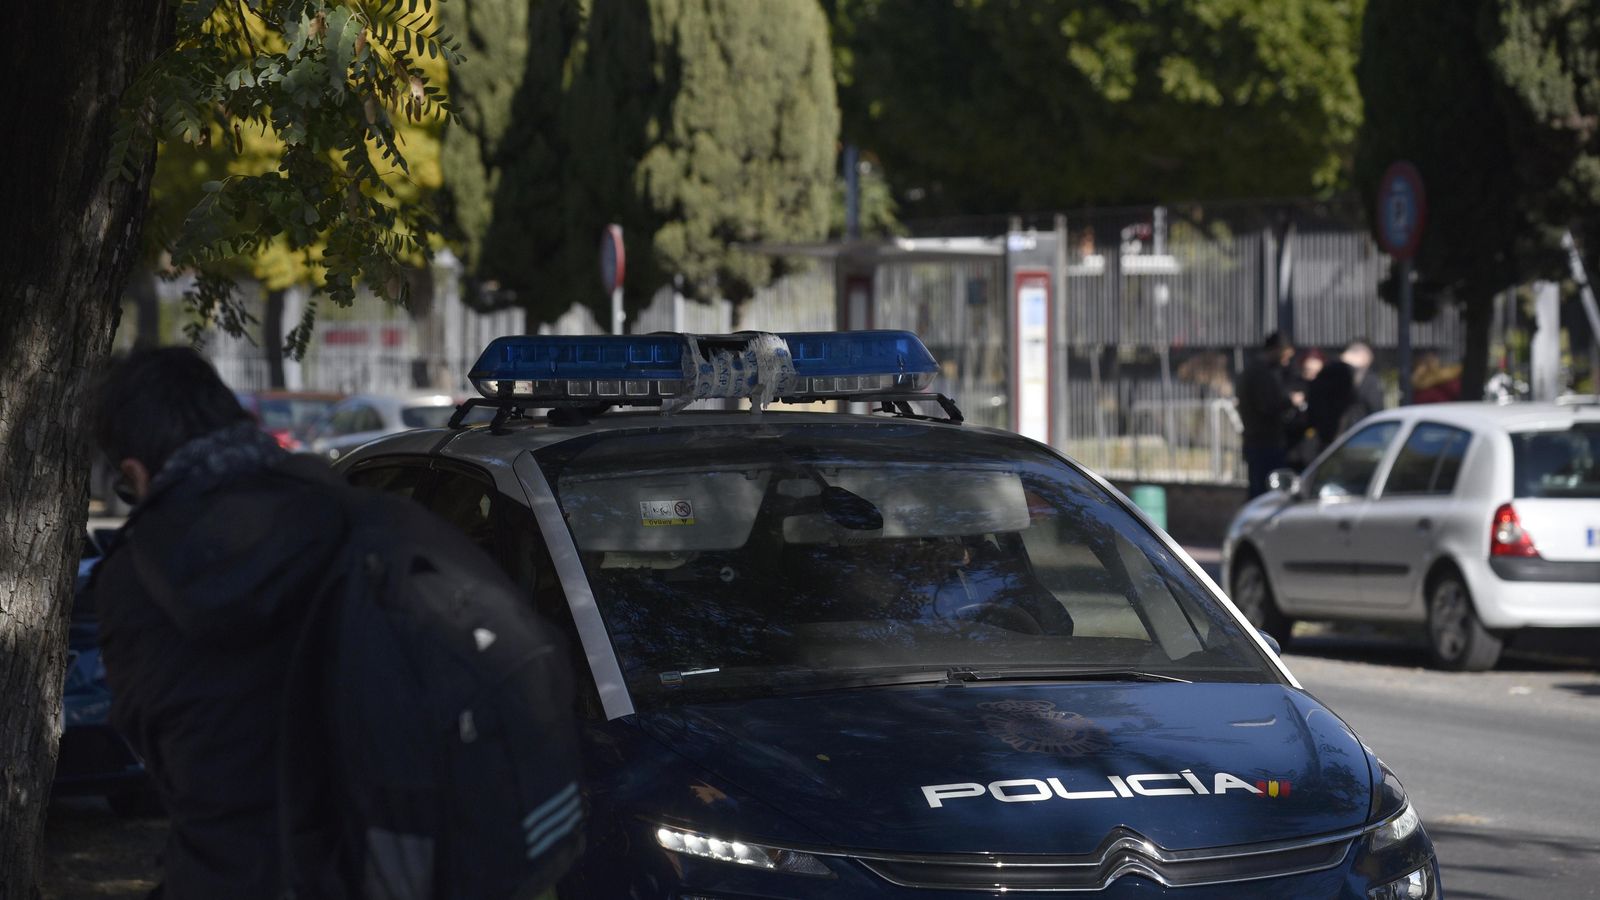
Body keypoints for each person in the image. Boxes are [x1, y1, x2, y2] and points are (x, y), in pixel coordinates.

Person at [88, 349, 576, 900]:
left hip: (240, 871)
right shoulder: (381, 520)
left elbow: (163, 756)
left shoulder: (137, 578)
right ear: (243, 425)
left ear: (133, 473)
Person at [1235, 332, 1303, 498]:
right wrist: (1290, 401)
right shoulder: (1260, 372)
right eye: (1286, 355)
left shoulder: (1257, 370)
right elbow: (1267, 405)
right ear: (1277, 350)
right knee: (1266, 494)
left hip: (1260, 441)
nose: (1287, 361)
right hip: (1264, 442)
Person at [1306, 339, 1385, 448]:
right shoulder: (1367, 378)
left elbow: (1312, 404)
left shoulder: (1324, 373)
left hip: (1325, 440)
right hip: (1358, 439)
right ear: (1363, 357)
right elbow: (1376, 408)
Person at [1284, 349, 1325, 470]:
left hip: (1318, 449)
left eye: (1316, 372)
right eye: (1308, 372)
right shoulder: (1295, 386)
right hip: (1295, 449)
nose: (1312, 376)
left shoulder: (1325, 390)